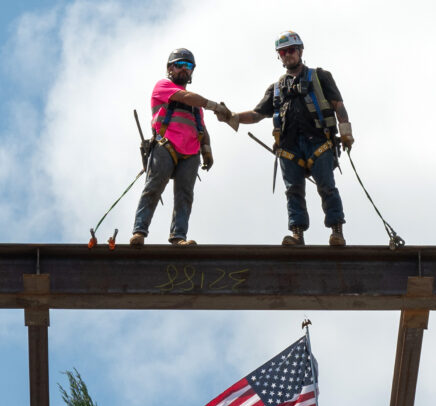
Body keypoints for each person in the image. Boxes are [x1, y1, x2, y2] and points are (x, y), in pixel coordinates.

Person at [224, 31, 354, 246]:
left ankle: (337, 232)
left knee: (326, 187)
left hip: (319, 141)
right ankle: (297, 235)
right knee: (293, 192)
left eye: (290, 50)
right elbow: (258, 114)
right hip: (289, 147)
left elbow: (338, 105)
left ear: (300, 51)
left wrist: (346, 131)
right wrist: (232, 117)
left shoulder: (320, 77)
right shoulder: (276, 89)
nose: (287, 55)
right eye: (282, 52)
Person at [130, 48, 231, 247]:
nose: (184, 70)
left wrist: (207, 150)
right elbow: (186, 98)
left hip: (191, 152)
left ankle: (178, 237)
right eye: (180, 65)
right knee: (154, 186)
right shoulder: (164, 87)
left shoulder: (195, 104)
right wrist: (215, 106)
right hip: (166, 145)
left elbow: (201, 127)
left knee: (185, 195)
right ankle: (139, 232)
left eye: (189, 66)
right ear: (170, 68)